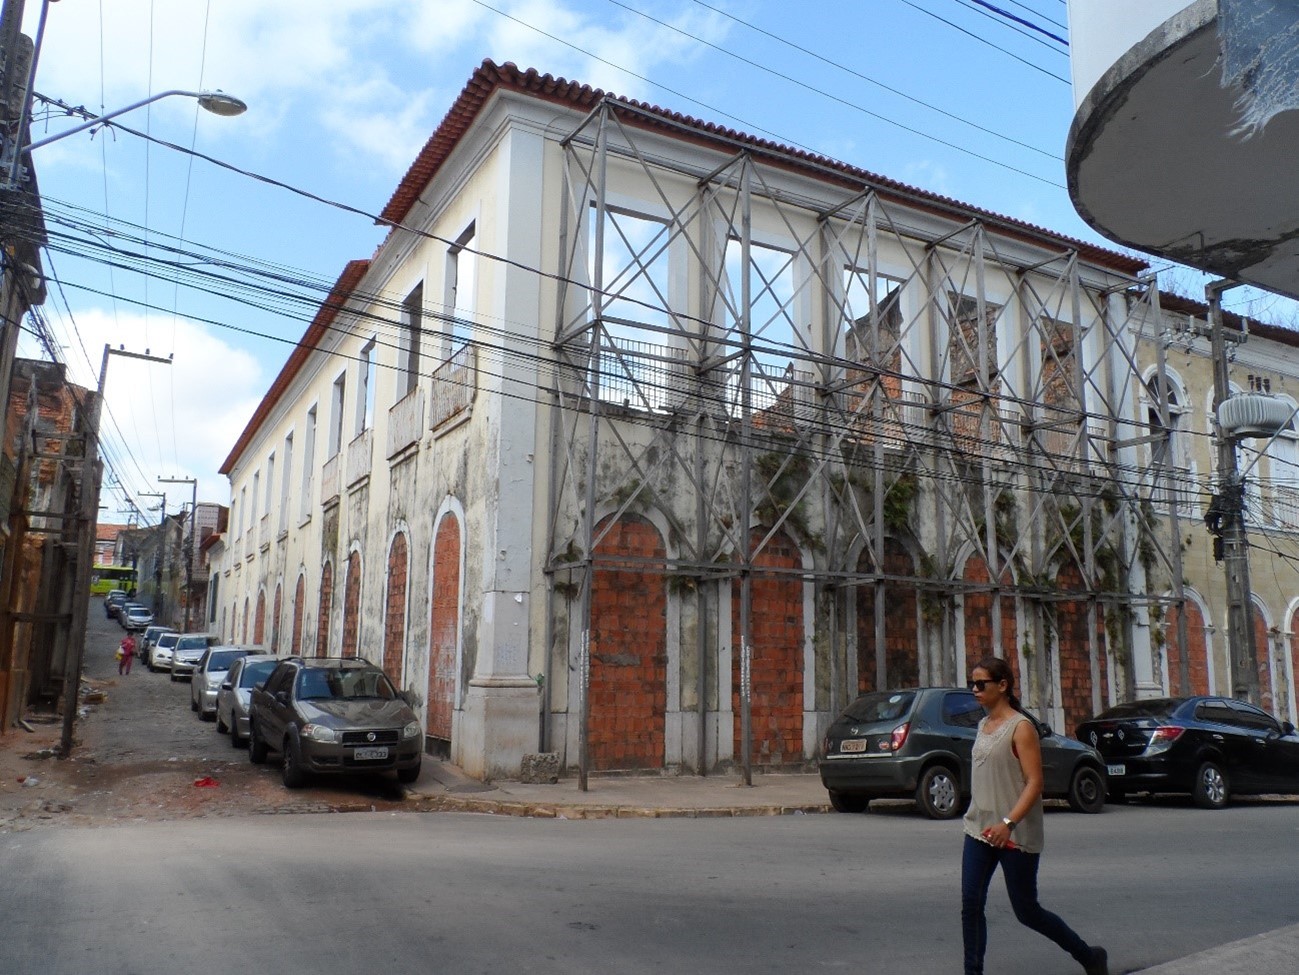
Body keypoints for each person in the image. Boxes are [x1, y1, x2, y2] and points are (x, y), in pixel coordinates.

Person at [960, 655, 1108, 975]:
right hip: (979, 829)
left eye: (980, 684)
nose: (974, 689)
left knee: (1027, 911)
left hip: (1015, 833)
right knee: (970, 904)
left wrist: (1008, 823)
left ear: (1002, 685)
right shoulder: (983, 725)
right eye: (972, 683)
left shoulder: (1021, 728)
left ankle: (1089, 956)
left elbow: (1035, 783)